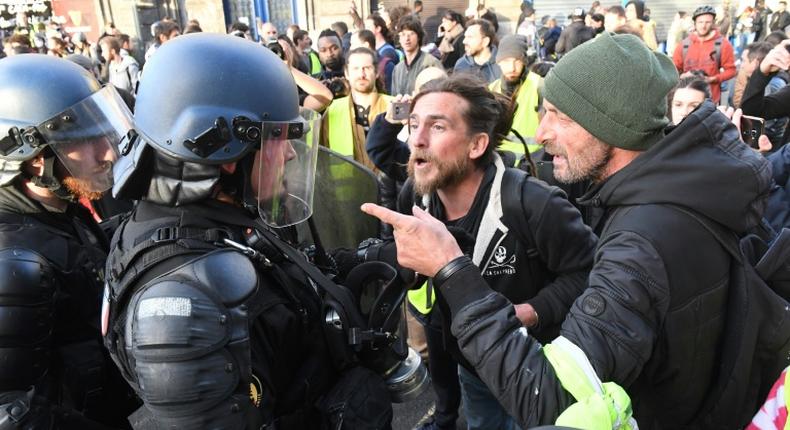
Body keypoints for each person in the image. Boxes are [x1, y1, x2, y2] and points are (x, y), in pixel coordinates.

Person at [362, 31, 773, 428]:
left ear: (610, 123)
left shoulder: (641, 240)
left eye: (559, 116)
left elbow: (551, 401)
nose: (541, 133)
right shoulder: (661, 200)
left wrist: (454, 270)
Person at [105, 33, 398, 429]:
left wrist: (378, 257)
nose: (292, 153)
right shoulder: (183, 297)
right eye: (278, 136)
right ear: (225, 152)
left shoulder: (220, 217)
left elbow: (281, 275)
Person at [0, 54, 139, 428]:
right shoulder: (13, 261)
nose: (107, 152)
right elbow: (10, 413)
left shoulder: (59, 212)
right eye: (85, 140)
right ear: (33, 158)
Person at [321, 47, 389, 168]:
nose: (361, 74)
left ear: (377, 72)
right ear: (346, 73)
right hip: (346, 186)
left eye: (367, 68)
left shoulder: (393, 107)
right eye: (356, 69)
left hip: (388, 186)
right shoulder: (333, 111)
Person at [488, 34, 542, 154]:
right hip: (500, 161)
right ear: (499, 62)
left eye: (517, 61)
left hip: (532, 160)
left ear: (524, 62)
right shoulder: (492, 89)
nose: (512, 68)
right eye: (506, 61)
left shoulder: (539, 85)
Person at [673, 5, 737, 104]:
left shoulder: (722, 44)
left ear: (713, 23)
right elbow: (673, 69)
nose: (703, 26)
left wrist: (713, 79)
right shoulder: (684, 45)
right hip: (688, 99)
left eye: (707, 22)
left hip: (711, 99)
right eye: (700, 22)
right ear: (695, 23)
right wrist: (682, 76)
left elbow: (731, 71)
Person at [391, 16, 441, 95]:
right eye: (403, 34)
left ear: (418, 37)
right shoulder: (397, 69)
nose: (407, 38)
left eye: (411, 34)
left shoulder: (431, 64)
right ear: (399, 39)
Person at [454, 19, 500, 83]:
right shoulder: (461, 64)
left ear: (485, 41)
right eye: (465, 37)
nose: (464, 41)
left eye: (470, 37)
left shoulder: (502, 64)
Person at [366, 13, 401, 93]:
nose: (365, 30)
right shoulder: (376, 49)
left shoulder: (387, 52)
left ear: (378, 28)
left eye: (368, 27)